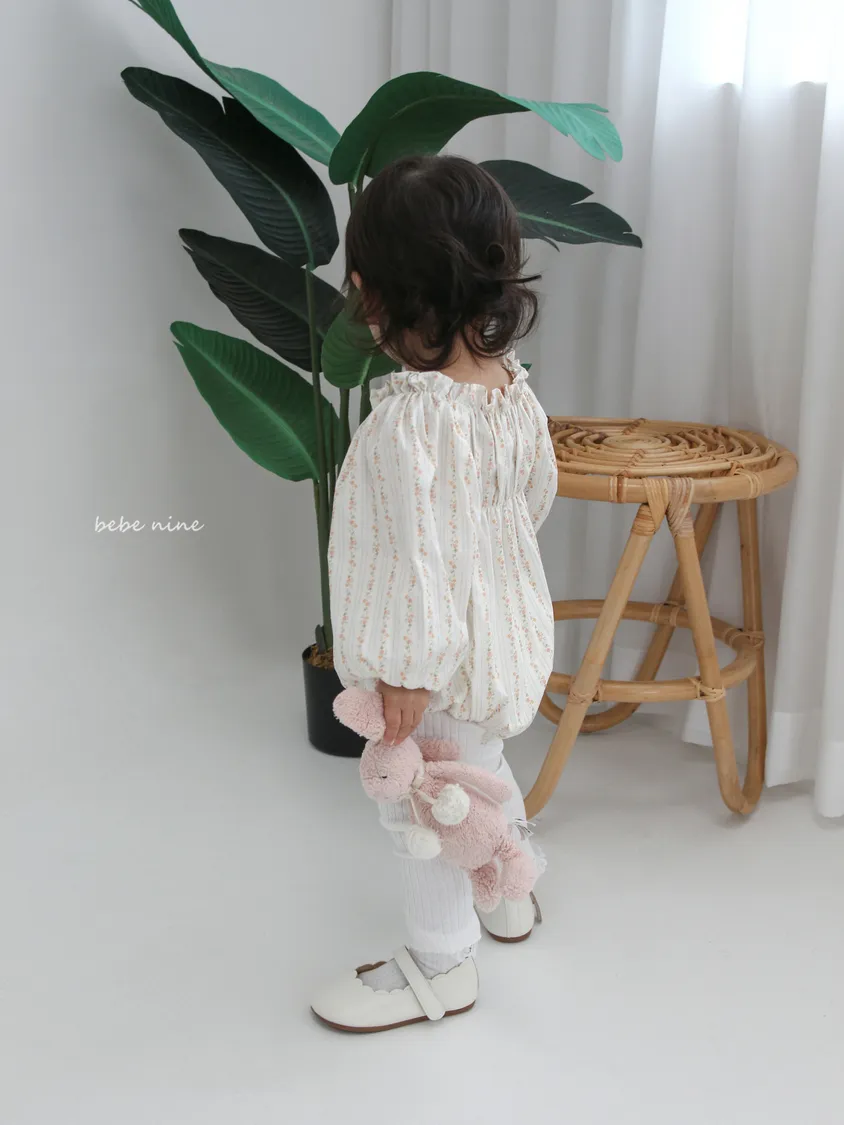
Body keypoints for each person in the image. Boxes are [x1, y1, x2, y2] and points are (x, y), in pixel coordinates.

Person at [311, 154, 557, 1033]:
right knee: (481, 769)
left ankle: (443, 959)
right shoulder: (510, 391)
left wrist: (405, 669)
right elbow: (533, 498)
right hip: (502, 637)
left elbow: (413, 561)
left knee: (424, 800)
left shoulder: (405, 425)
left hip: (434, 667)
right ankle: (510, 891)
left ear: (371, 294)